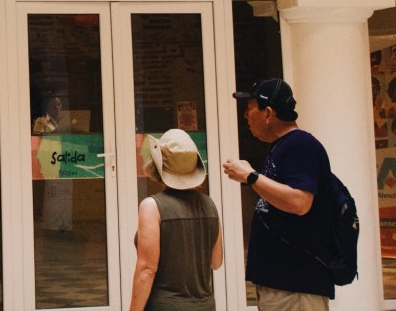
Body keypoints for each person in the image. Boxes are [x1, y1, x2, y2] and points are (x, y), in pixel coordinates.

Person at [222, 78, 334, 309]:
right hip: (281, 285)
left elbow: (300, 202)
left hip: (295, 286)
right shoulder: (283, 147)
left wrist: (251, 177)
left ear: (268, 113)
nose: (245, 115)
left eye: (250, 108)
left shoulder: (301, 145)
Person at [129, 128, 223, 311]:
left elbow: (147, 269)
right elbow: (216, 261)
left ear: (158, 166)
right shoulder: (210, 205)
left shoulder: (152, 206)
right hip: (205, 306)